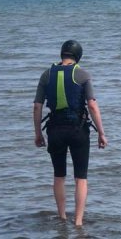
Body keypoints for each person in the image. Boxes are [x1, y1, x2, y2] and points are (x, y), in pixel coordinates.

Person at [33, 40, 108, 226]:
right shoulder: (82, 74)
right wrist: (101, 133)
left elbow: (37, 107)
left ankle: (62, 217)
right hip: (78, 130)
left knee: (59, 176)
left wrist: (38, 134)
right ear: (78, 56)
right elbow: (92, 105)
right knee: (80, 178)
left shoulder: (46, 74)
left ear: (62, 54)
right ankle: (78, 221)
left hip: (55, 130)